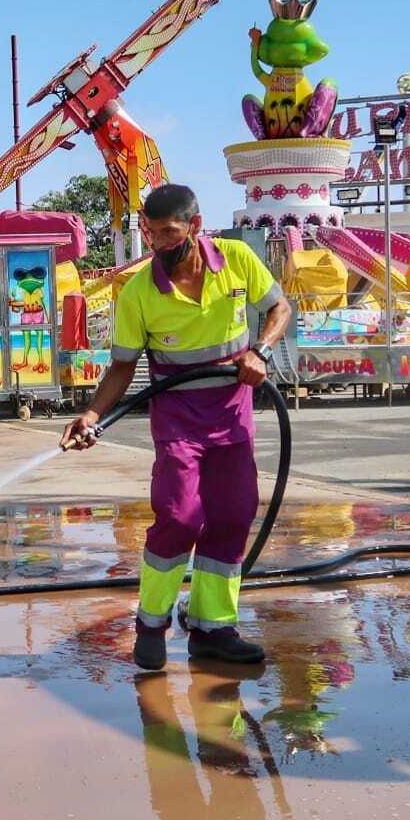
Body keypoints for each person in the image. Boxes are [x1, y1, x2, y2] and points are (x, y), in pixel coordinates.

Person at [60, 184, 291, 670]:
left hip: (232, 416)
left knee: (232, 516)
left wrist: (260, 351)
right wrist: (92, 414)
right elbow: (122, 367)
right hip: (178, 422)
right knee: (180, 517)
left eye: (169, 233)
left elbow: (279, 308)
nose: (160, 244)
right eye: (152, 234)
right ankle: (151, 622)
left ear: (195, 226)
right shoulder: (139, 292)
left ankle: (213, 628)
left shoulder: (236, 259)